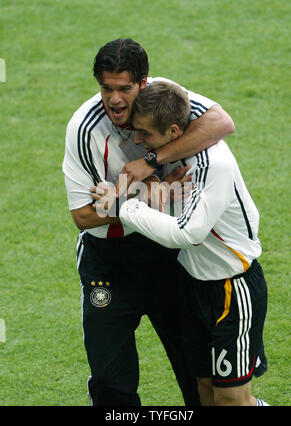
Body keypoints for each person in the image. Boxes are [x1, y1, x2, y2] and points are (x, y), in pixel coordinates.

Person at [63, 38, 235, 406]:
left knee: (197, 374)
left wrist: (150, 161)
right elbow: (82, 216)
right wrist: (149, 197)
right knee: (111, 382)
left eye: (124, 88)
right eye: (106, 88)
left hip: (167, 253)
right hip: (107, 260)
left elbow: (221, 121)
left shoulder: (162, 98)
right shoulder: (83, 129)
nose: (115, 100)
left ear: (142, 82)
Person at [115, 81, 269, 406]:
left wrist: (126, 207)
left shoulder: (215, 164)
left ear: (173, 131)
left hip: (232, 288)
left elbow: (188, 233)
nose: (138, 140)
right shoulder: (171, 155)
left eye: (144, 133)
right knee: (204, 391)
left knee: (231, 399)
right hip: (194, 285)